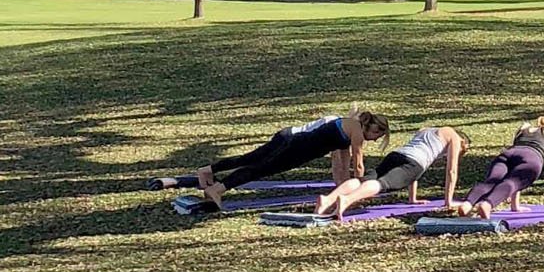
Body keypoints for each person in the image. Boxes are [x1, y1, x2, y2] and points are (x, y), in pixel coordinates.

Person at [157, 110, 391, 209]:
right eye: (377, 135)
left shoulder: (346, 128)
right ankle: (217, 189)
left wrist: (342, 192)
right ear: (370, 127)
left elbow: (340, 165)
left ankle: (209, 172)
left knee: (252, 159)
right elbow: (357, 164)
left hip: (291, 139)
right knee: (259, 168)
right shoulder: (357, 132)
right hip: (295, 145)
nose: (373, 140)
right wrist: (359, 188)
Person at [314, 124, 469, 221]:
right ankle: (347, 200)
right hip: (414, 163)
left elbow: (411, 175)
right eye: (463, 150)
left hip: (397, 155)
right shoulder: (453, 135)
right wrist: (449, 201)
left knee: (364, 179)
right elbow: (452, 171)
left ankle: (327, 200)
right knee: (382, 184)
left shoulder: (425, 130)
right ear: (463, 142)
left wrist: (412, 199)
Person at [457, 117, 544, 216]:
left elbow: (515, 164)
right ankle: (487, 204)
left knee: (490, 182)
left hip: (507, 154)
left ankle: (467, 204)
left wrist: (515, 206)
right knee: (513, 182)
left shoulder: (524, 128)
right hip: (531, 157)